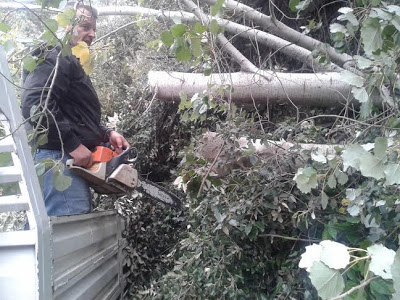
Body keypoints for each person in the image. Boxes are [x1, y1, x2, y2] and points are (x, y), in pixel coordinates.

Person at [21, 4, 129, 216]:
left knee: (57, 234)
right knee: (67, 238)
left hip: (63, 158)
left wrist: (106, 134)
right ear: (66, 24)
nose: (92, 33)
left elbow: (75, 114)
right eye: (86, 26)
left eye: (94, 28)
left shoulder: (69, 59)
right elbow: (35, 103)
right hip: (58, 159)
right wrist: (73, 144)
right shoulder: (55, 53)